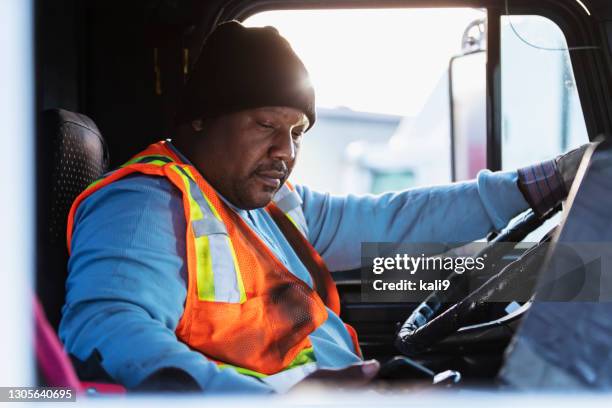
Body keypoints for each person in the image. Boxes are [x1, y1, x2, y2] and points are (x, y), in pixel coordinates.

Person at [59, 21, 587, 393]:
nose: (286, 152)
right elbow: (103, 332)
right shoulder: (145, 203)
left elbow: (396, 219)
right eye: (266, 126)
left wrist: (541, 184)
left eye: (297, 133)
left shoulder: (270, 205)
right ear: (200, 119)